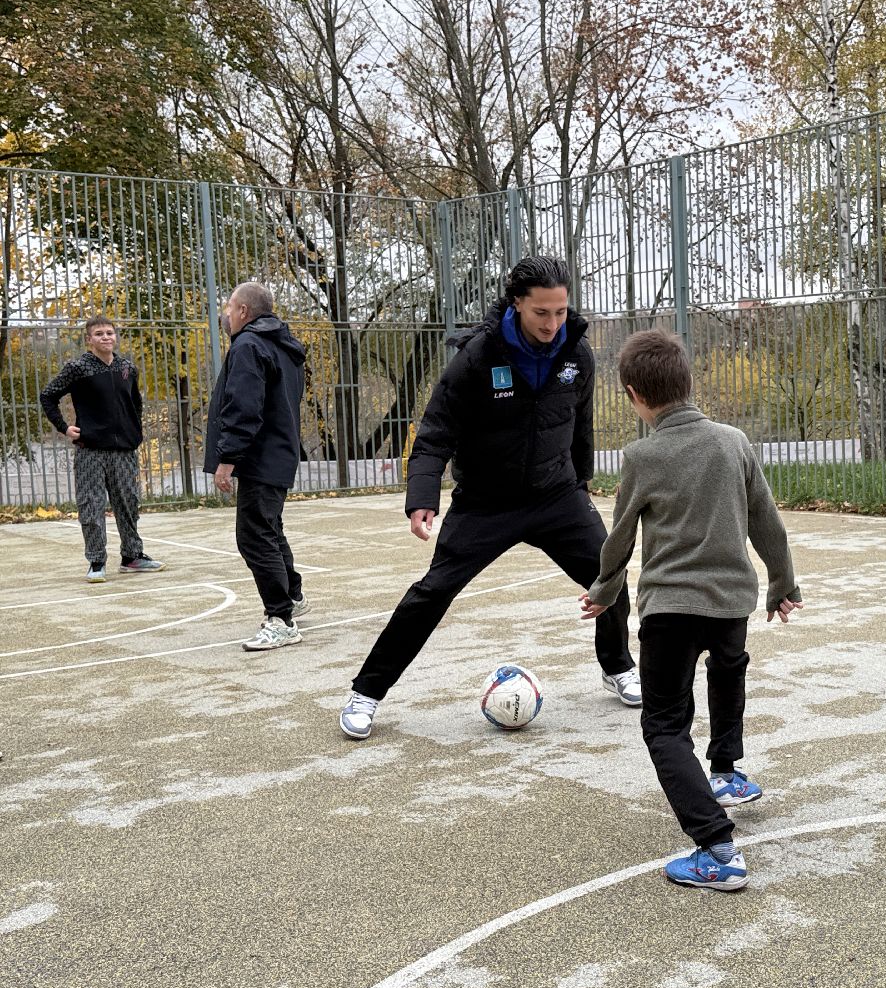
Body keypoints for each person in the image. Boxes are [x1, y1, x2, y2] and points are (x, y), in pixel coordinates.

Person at [339, 256, 638, 740]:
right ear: (517, 303)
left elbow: (579, 427)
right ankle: (366, 693)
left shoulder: (577, 355)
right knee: (431, 593)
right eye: (542, 312)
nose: (552, 323)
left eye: (560, 311)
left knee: (610, 575)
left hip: (556, 495)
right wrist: (422, 498)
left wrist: (580, 484)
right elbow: (434, 435)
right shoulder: (477, 358)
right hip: (485, 503)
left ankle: (617, 666)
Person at [580, 329, 802, 891]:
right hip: (730, 603)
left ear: (634, 394)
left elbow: (621, 534)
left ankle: (717, 848)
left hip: (670, 610)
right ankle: (726, 771)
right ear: (688, 382)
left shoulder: (642, 455)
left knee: (663, 725)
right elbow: (766, 521)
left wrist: (605, 588)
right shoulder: (733, 441)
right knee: (728, 672)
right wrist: (782, 584)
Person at [204, 281, 309, 652]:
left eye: (229, 308)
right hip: (279, 452)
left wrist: (227, 459)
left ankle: (280, 618)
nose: (226, 315)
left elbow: (244, 406)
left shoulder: (249, 345)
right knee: (269, 528)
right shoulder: (283, 345)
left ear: (244, 311)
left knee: (253, 535)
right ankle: (292, 596)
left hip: (259, 455)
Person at [40, 315, 165, 582]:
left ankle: (132, 557)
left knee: (128, 503)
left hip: (124, 450)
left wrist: (135, 431)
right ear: (89, 339)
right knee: (92, 506)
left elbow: (135, 403)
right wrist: (64, 428)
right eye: (99, 334)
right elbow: (48, 395)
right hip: (91, 451)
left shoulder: (127, 368)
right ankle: (97, 561)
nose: (105, 337)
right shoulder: (78, 367)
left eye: (109, 333)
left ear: (115, 336)